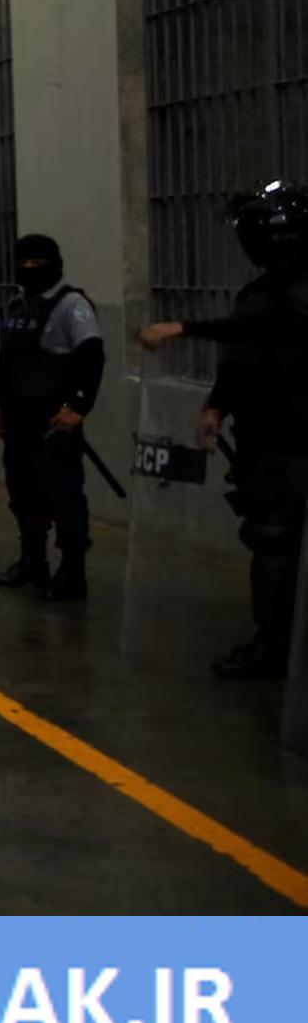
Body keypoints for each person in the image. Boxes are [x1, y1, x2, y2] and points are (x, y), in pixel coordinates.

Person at [140, 181, 308, 679]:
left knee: (275, 541)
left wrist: (184, 328)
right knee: (270, 538)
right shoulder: (266, 289)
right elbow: (246, 353)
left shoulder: (293, 291)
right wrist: (217, 404)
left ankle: (274, 650)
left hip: (292, 441)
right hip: (268, 438)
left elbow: (264, 330)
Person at [0, 234, 106, 600]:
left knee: (65, 496)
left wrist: (78, 407)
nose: (30, 270)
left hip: (55, 420)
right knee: (23, 493)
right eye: (24, 263)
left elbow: (92, 357)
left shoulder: (73, 306)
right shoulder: (18, 304)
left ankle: (72, 573)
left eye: (37, 263)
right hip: (18, 417)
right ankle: (32, 563)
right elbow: (8, 360)